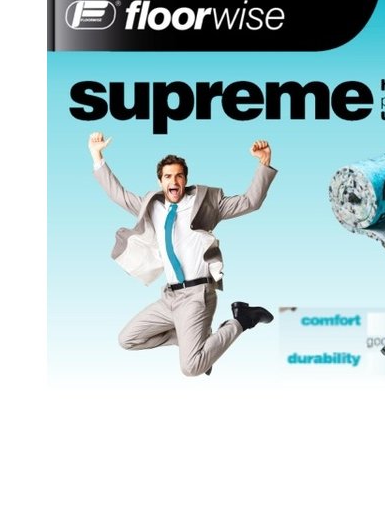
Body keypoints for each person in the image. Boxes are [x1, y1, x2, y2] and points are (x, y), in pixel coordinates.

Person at [88, 131, 277, 376]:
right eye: (168, 176)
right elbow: (118, 194)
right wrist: (97, 156)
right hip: (170, 298)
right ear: (160, 181)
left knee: (191, 368)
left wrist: (264, 162)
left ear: (185, 179)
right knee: (128, 339)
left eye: (179, 175)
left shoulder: (207, 203)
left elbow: (250, 201)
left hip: (197, 296)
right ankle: (199, 344)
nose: (174, 180)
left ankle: (243, 320)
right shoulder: (152, 206)